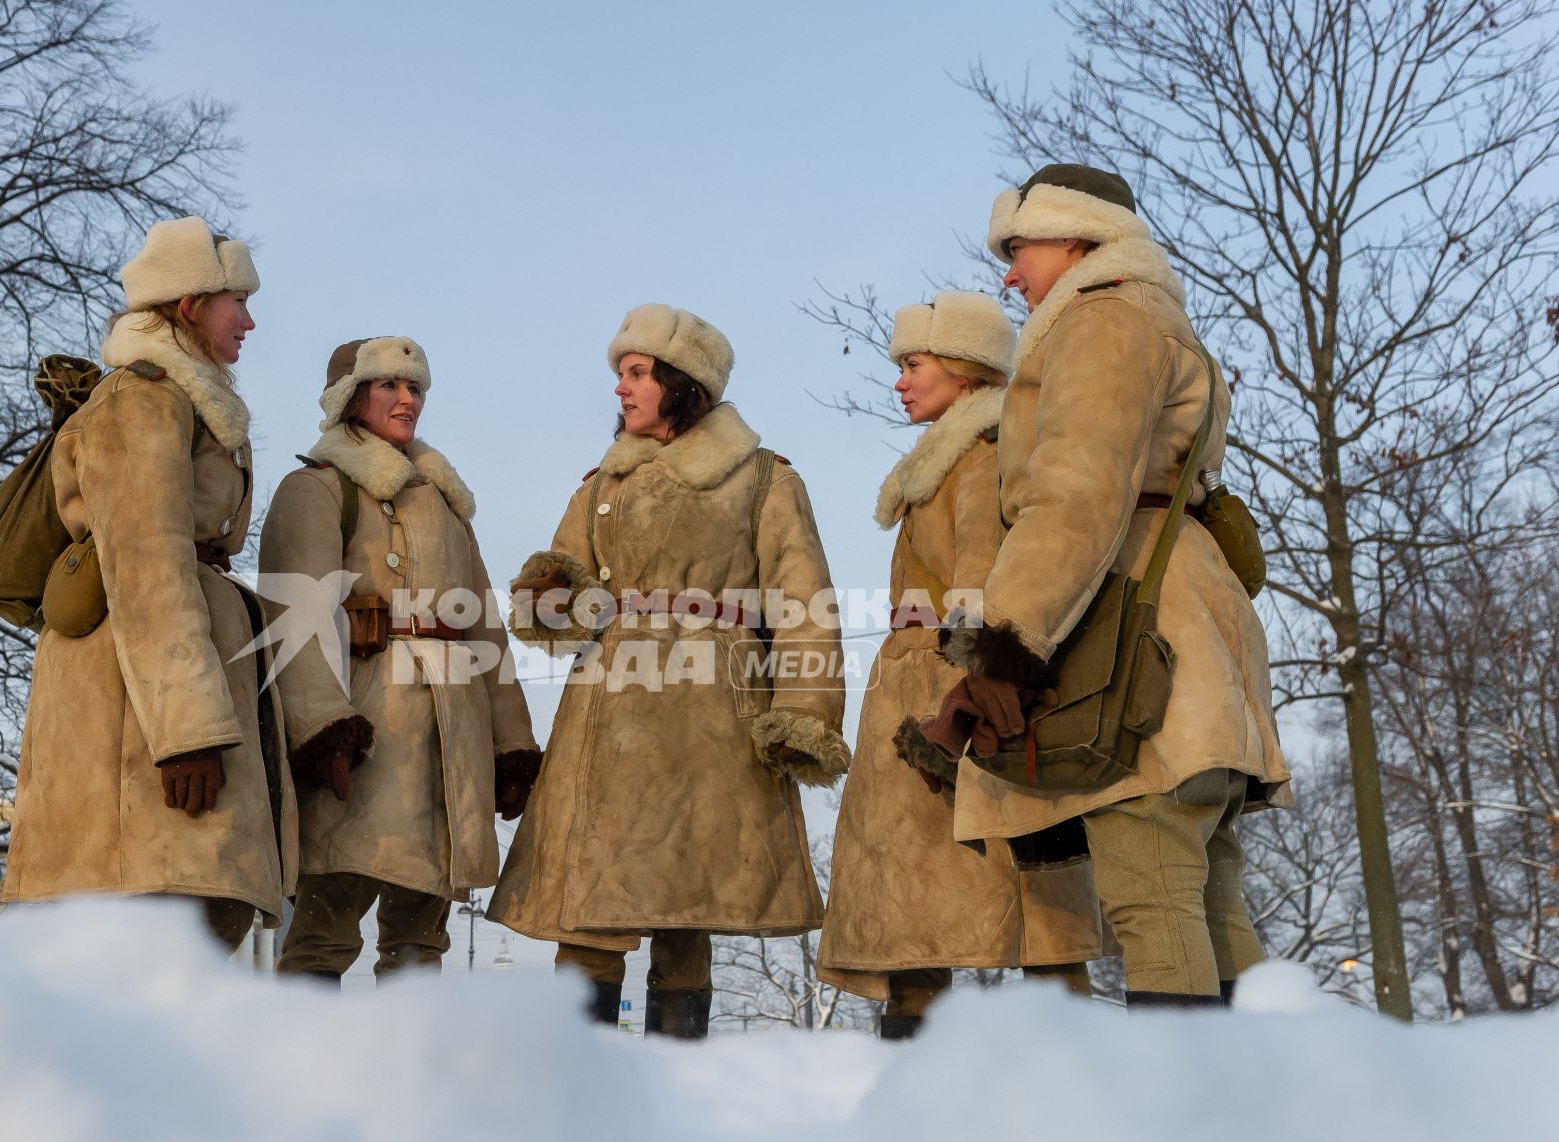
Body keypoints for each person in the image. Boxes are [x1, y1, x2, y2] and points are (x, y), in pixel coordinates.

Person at [924, 164, 1291, 1007]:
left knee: (1153, 898)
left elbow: (1076, 495)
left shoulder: (1103, 320)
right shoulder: (1154, 318)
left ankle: (1184, 1126)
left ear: (1075, 235)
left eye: (1018, 248)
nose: (1009, 273)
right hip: (1189, 633)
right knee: (1208, 897)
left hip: (1140, 636)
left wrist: (1002, 642)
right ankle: (1274, 1107)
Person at [488, 304, 849, 1039]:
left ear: (684, 382)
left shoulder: (762, 478)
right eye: (619, 374)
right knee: (589, 909)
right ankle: (579, 1081)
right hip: (608, 715)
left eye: (637, 372)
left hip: (712, 716)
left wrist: (806, 714)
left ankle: (681, 1082)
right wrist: (549, 595)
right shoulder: (599, 487)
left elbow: (805, 601)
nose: (620, 389)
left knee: (690, 910)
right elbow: (563, 593)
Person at [817, 293, 1104, 1037]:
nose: (900, 381)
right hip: (919, 673)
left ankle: (1005, 1050)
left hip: (948, 685)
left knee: (1000, 887)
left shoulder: (978, 458)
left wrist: (966, 699)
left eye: (913, 364)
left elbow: (982, 583)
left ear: (966, 370)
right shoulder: (943, 462)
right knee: (921, 897)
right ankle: (938, 1040)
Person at [7, 216, 297, 951]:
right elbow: (145, 568)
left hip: (162, 705)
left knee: (191, 930)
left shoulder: (183, 397)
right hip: (137, 722)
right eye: (237, 301)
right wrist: (186, 734)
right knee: (149, 938)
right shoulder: (143, 397)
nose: (251, 320)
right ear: (191, 304)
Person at [260, 337, 540, 983]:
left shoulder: (444, 505)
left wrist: (511, 746)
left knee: (421, 942)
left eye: (415, 387)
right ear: (348, 397)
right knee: (325, 932)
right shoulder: (316, 488)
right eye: (389, 384)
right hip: (364, 739)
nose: (408, 398)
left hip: (451, 745)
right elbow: (292, 621)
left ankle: (412, 1076)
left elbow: (485, 630)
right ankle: (298, 1076)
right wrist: (321, 727)